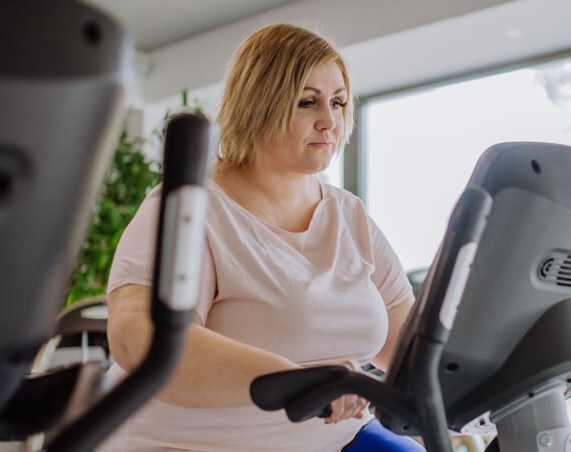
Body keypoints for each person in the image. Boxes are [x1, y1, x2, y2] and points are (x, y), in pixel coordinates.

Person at [99, 24, 423, 451]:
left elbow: (414, 349)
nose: (330, 121)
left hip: (334, 440)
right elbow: (138, 338)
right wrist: (293, 381)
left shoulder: (349, 214)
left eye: (339, 102)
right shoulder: (190, 208)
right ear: (258, 105)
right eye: (308, 102)